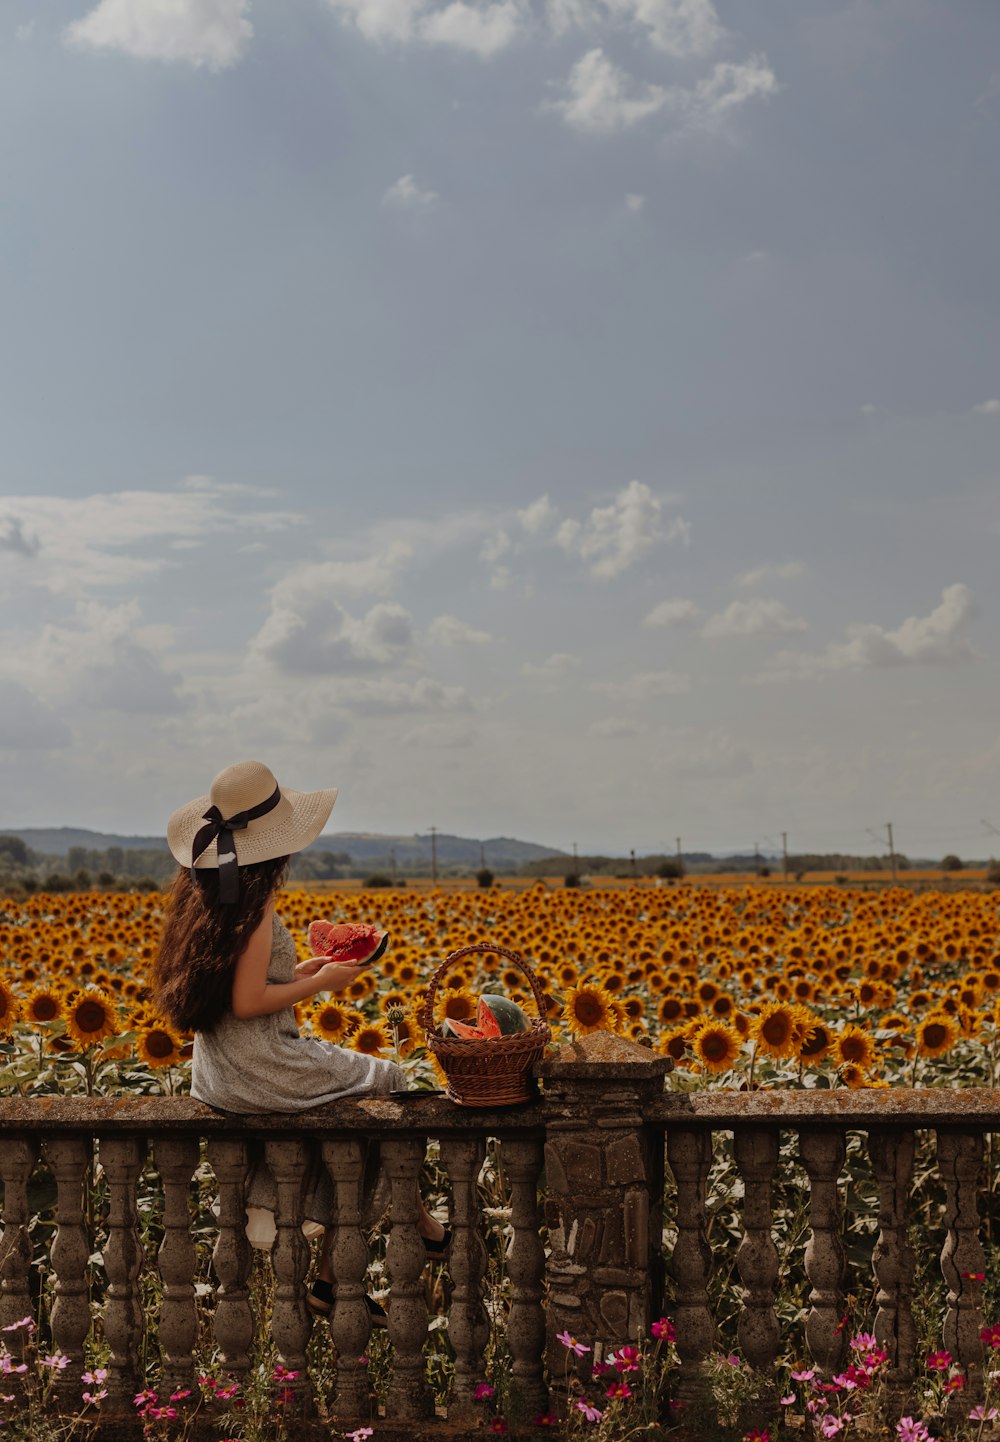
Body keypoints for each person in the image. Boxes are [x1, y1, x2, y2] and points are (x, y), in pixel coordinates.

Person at [153, 758, 449, 1326]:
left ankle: (362, 1266)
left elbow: (242, 982)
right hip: (261, 1060)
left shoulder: (209, 897)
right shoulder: (257, 904)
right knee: (389, 1081)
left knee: (355, 1112)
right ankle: (411, 1235)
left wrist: (305, 966)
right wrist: (322, 982)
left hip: (219, 1070)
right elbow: (246, 1004)